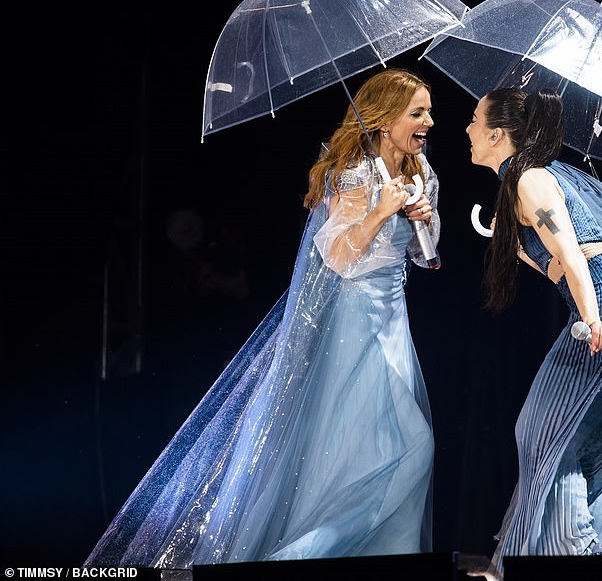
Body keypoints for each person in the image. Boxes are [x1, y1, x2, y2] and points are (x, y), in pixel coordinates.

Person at [85, 68, 441, 568]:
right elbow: (337, 258)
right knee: (407, 449)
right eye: (418, 112)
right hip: (353, 325)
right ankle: (294, 558)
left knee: (379, 454)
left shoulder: (422, 173)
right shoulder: (355, 174)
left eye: (428, 111)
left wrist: (425, 219)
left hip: (395, 321)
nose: (429, 121)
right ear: (384, 121)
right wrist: (381, 213)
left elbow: (428, 260)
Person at [465, 87, 602, 580]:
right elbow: (569, 258)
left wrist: (595, 318)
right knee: (578, 455)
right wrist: (520, 249)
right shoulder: (568, 178)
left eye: (475, 121)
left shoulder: (530, 179)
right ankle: (555, 556)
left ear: (499, 134)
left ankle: (562, 561)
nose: (468, 129)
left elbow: (578, 257)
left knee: (543, 437)